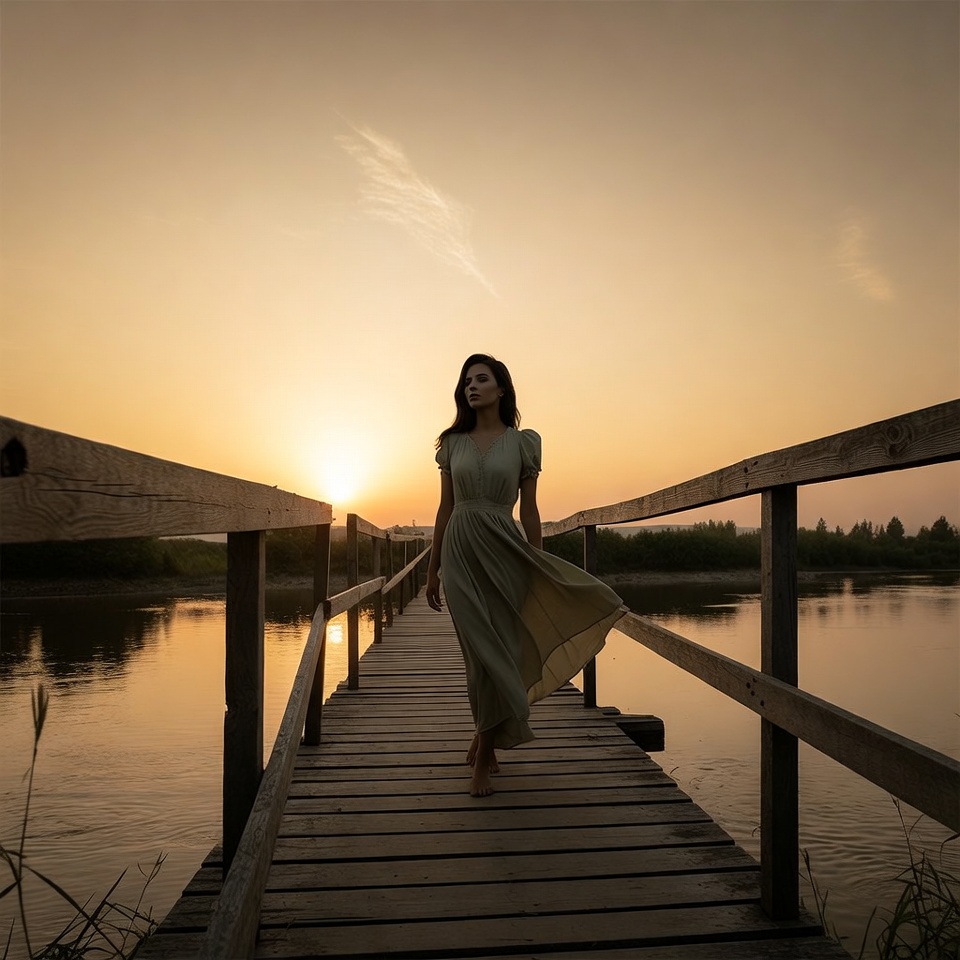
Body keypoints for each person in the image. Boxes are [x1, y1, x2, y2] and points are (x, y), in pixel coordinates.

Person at [425, 354, 626, 797]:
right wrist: (432, 567)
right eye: (466, 381)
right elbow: (444, 508)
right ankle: (483, 755)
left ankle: (485, 739)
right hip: (459, 548)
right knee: (478, 652)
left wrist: (537, 562)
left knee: (505, 648)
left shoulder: (523, 443)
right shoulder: (452, 444)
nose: (471, 387)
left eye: (482, 379)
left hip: (505, 549)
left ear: (502, 389)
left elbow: (530, 510)